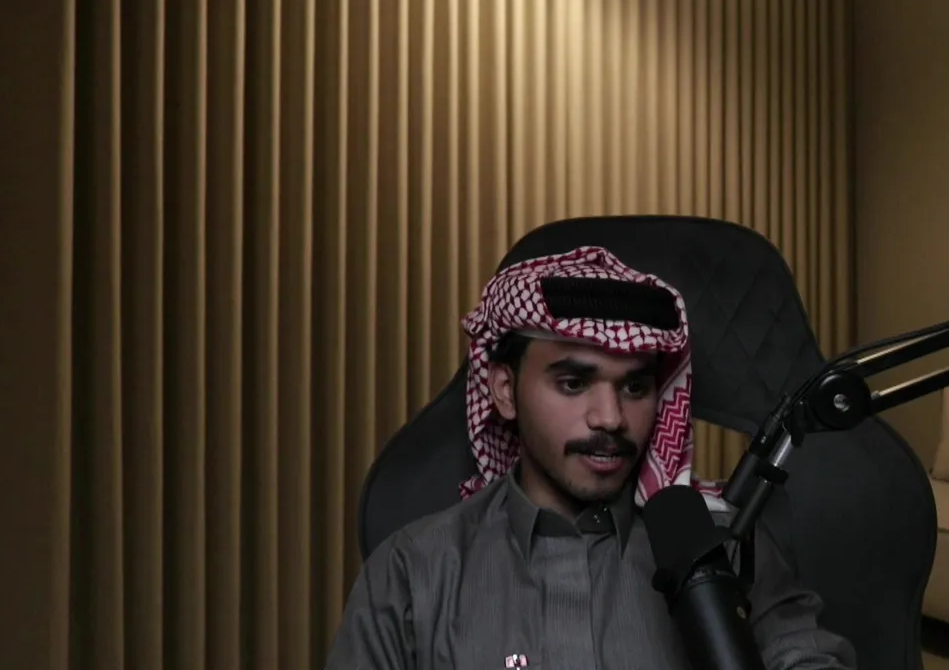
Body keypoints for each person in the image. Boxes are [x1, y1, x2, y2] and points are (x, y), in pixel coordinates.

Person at [325, 246, 857, 670]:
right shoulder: (412, 572)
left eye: (635, 387)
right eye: (574, 383)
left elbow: (805, 654)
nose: (610, 418)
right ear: (505, 391)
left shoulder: (724, 545)